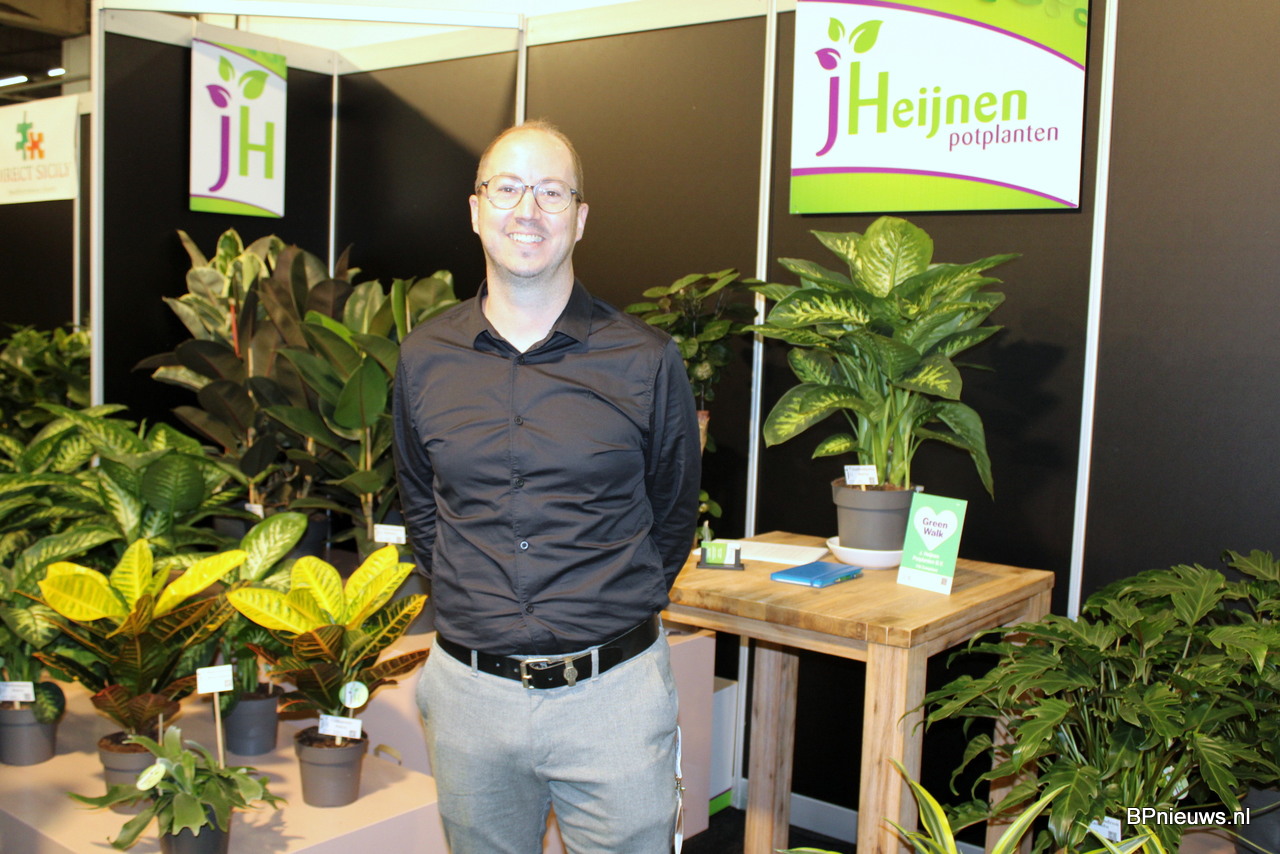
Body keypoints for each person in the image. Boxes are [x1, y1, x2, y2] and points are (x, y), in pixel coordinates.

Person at [391, 119, 702, 854]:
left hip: (613, 700)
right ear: (476, 210)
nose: (527, 210)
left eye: (551, 192)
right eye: (507, 188)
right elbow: (422, 506)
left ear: (580, 218)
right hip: (469, 700)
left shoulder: (646, 360)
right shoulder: (424, 357)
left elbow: (673, 514)